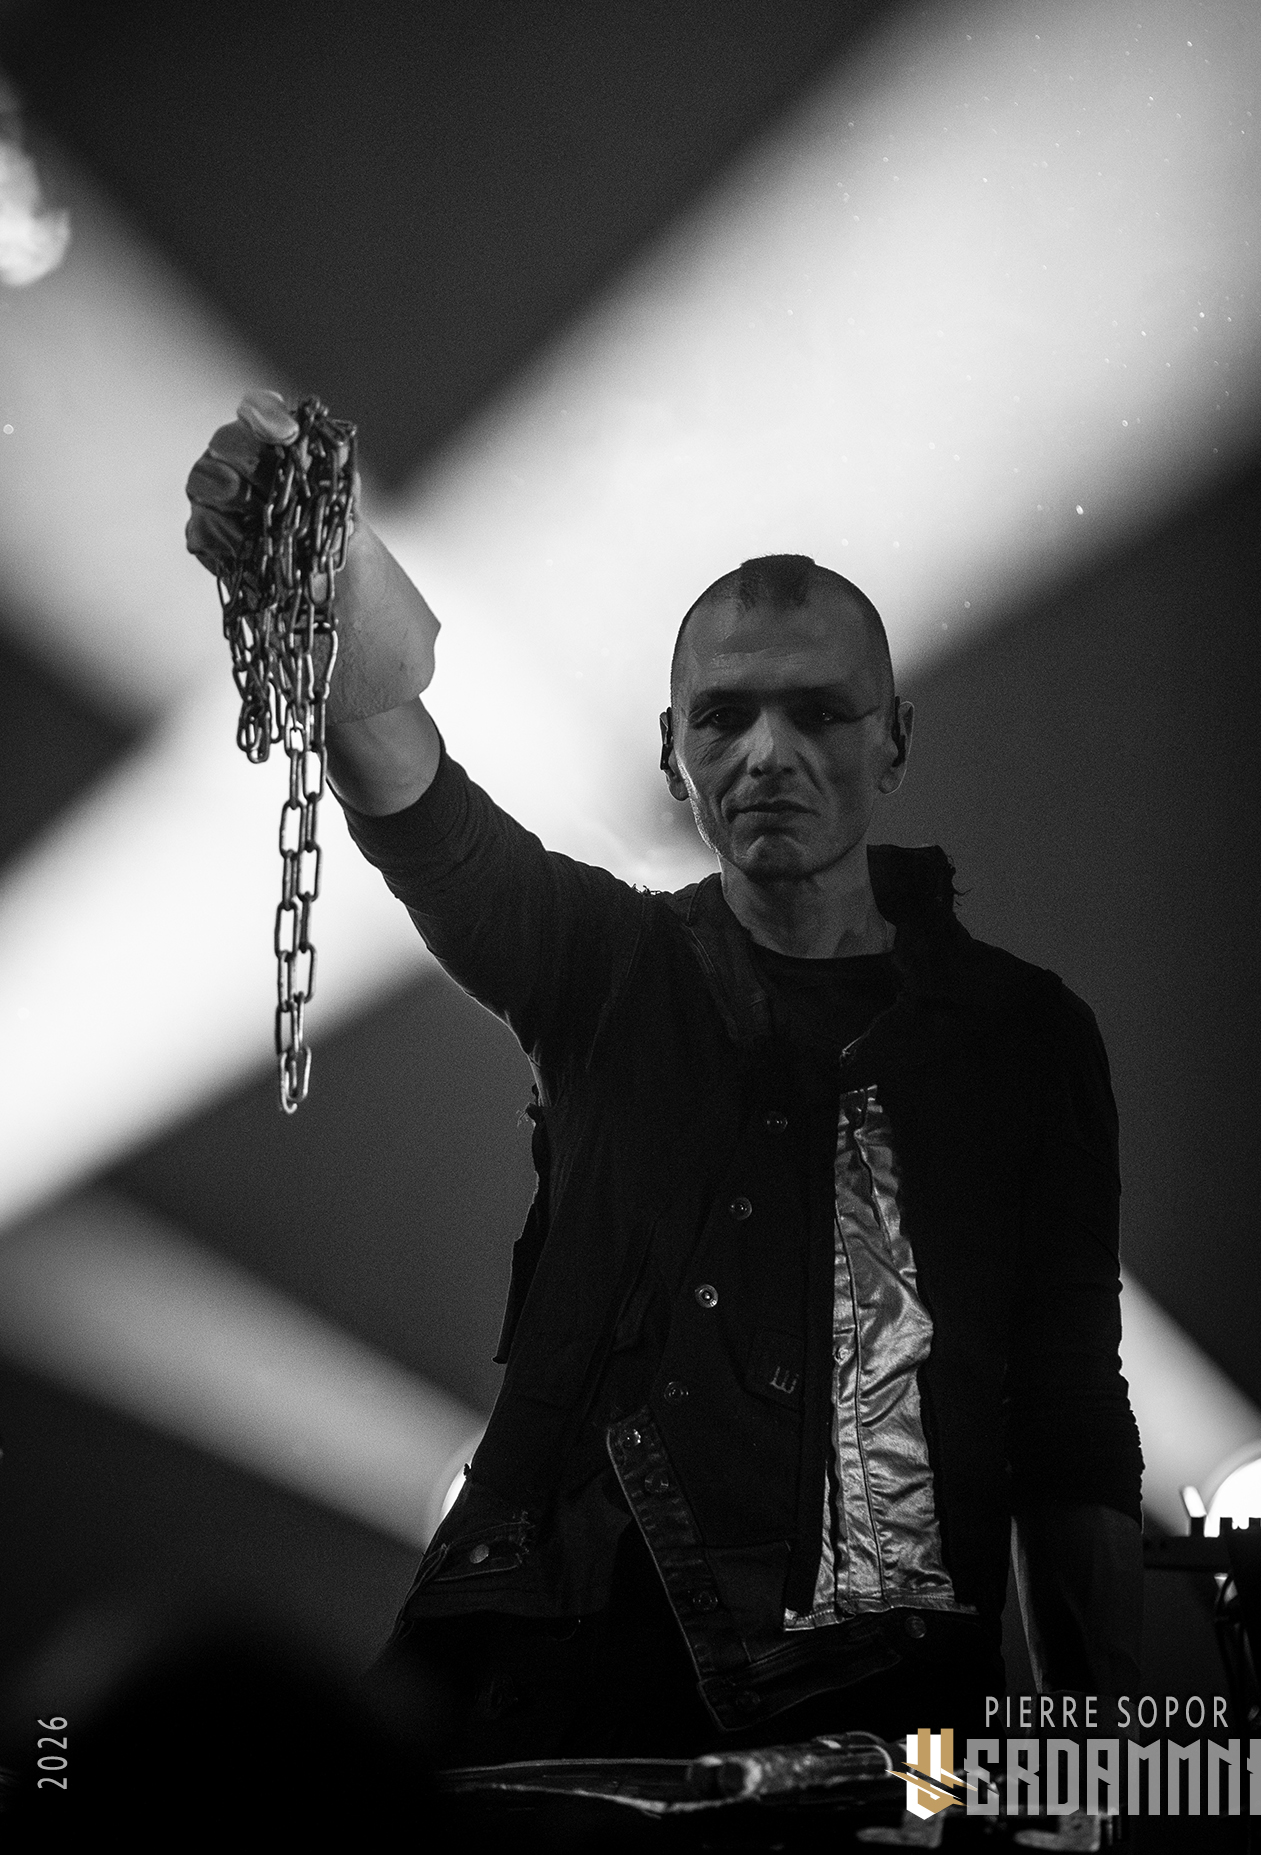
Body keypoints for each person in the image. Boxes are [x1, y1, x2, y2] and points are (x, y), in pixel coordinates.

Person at [186, 391, 1144, 1767]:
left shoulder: (1020, 1037)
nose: (768, 755)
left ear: (894, 738)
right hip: (542, 1684)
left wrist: (1102, 1762)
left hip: (870, 1714)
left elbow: (1068, 1420)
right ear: (671, 750)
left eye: (818, 713)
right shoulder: (606, 963)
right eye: (724, 716)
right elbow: (403, 777)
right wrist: (315, 555)